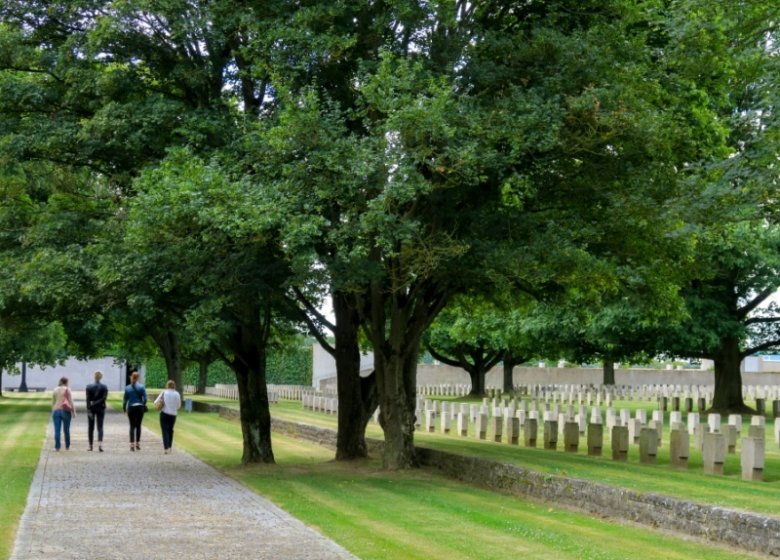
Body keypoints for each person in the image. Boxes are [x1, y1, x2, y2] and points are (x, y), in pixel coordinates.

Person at [154, 380, 182, 454]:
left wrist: (161, 404)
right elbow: (179, 406)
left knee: (165, 431)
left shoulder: (164, 392)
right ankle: (170, 446)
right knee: (170, 430)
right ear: (174, 386)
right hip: (173, 415)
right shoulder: (177, 394)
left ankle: (166, 448)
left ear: (167, 385)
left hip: (164, 413)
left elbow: (155, 402)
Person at [122, 369, 147, 451]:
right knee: (139, 425)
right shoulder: (141, 387)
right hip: (139, 407)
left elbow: (125, 400)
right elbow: (145, 398)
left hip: (131, 407)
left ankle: (132, 445)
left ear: (131, 377)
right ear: (138, 378)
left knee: (132, 426)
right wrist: (143, 404)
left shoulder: (127, 388)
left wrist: (124, 410)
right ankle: (138, 444)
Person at [85, 370, 108, 452]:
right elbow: (104, 398)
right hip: (101, 408)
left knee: (90, 427)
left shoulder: (88, 386)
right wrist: (96, 402)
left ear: (94, 376)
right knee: (100, 427)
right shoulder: (104, 387)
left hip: (91, 408)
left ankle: (90, 446)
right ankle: (100, 445)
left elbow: (87, 399)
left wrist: (89, 408)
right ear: (101, 377)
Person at [51, 377, 76, 451]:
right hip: (65, 411)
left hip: (56, 410)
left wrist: (53, 410)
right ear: (66, 382)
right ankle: (67, 446)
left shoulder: (55, 389)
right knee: (66, 430)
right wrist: (73, 412)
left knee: (57, 430)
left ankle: (57, 447)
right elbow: (71, 401)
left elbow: (53, 402)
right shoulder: (67, 389)